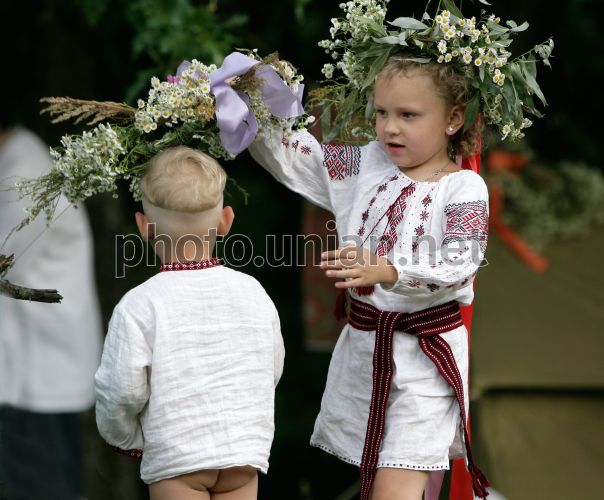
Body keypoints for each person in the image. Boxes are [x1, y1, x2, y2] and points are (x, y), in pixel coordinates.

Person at [248, 54, 490, 500]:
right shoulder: (365, 165)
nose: (390, 127)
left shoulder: (462, 188)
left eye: (408, 115)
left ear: (453, 119)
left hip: (424, 365)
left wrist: (388, 269)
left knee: (394, 490)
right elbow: (305, 160)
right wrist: (249, 104)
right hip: (365, 355)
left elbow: (462, 259)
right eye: (382, 112)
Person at [94, 146, 285, 500]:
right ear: (226, 220)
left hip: (178, 457)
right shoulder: (253, 293)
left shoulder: (139, 305)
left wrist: (129, 439)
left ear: (143, 227)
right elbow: (270, 368)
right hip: (242, 453)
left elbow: (121, 390)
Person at [0, 125, 103, 499]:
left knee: (41, 484)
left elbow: (5, 257)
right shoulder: (18, 160)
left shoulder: (24, 166)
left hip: (35, 367)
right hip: (30, 362)